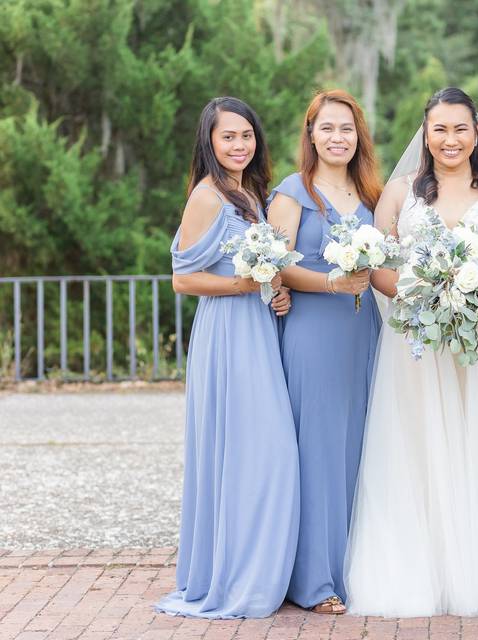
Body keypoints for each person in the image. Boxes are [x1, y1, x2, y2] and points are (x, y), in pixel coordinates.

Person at [344, 87, 478, 617]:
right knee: (419, 447)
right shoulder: (399, 193)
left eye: (461, 128)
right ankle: (423, 572)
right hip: (416, 342)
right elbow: (374, 266)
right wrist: (426, 294)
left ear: (477, 131)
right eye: (440, 129)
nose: (450, 139)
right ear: (425, 132)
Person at [157, 96, 299, 619]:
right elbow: (182, 278)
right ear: (209, 142)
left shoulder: (250, 192)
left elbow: (257, 272)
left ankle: (254, 569)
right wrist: (243, 286)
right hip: (227, 334)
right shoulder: (207, 196)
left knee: (261, 455)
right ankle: (236, 580)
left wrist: (273, 291)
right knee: (259, 452)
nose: (239, 145)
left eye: (246, 135)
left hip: (258, 326)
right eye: (227, 137)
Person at [266, 89, 382, 615]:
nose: (338, 138)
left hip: (365, 333)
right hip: (314, 330)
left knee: (357, 449)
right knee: (316, 450)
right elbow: (274, 263)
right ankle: (313, 580)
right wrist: (330, 285)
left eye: (347, 129)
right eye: (328, 128)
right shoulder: (294, 192)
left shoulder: (373, 194)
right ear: (311, 135)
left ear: (359, 137)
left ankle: (353, 567)